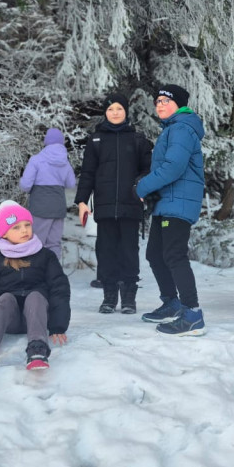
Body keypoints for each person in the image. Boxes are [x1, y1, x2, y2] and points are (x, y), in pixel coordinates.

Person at [0, 201, 70, 381]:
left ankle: (37, 349)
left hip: (37, 317)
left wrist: (58, 325)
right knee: (5, 298)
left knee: (35, 296)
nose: (24, 230)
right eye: (16, 227)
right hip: (9, 320)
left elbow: (59, 288)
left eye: (27, 225)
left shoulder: (45, 256)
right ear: (4, 233)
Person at [136, 85, 207, 336]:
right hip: (167, 202)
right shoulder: (173, 129)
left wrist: (142, 187)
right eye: (157, 101)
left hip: (179, 202)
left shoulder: (182, 128)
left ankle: (192, 314)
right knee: (155, 255)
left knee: (174, 256)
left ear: (179, 104)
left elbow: (173, 167)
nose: (160, 105)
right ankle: (171, 303)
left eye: (166, 100)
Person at [75, 94, 153, 314]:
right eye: (111, 109)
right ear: (105, 112)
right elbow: (88, 172)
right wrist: (82, 200)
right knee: (106, 252)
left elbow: (148, 170)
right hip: (105, 206)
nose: (115, 112)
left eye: (119, 108)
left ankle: (129, 297)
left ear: (126, 111)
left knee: (129, 251)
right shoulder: (96, 140)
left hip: (131, 205)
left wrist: (141, 187)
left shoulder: (138, 139)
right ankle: (109, 297)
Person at [20, 128, 76, 261]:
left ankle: (35, 273)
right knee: (54, 243)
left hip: (40, 207)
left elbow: (25, 184)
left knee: (36, 242)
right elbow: (71, 184)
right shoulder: (65, 162)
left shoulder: (36, 160)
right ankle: (54, 274)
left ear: (46, 142)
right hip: (58, 207)